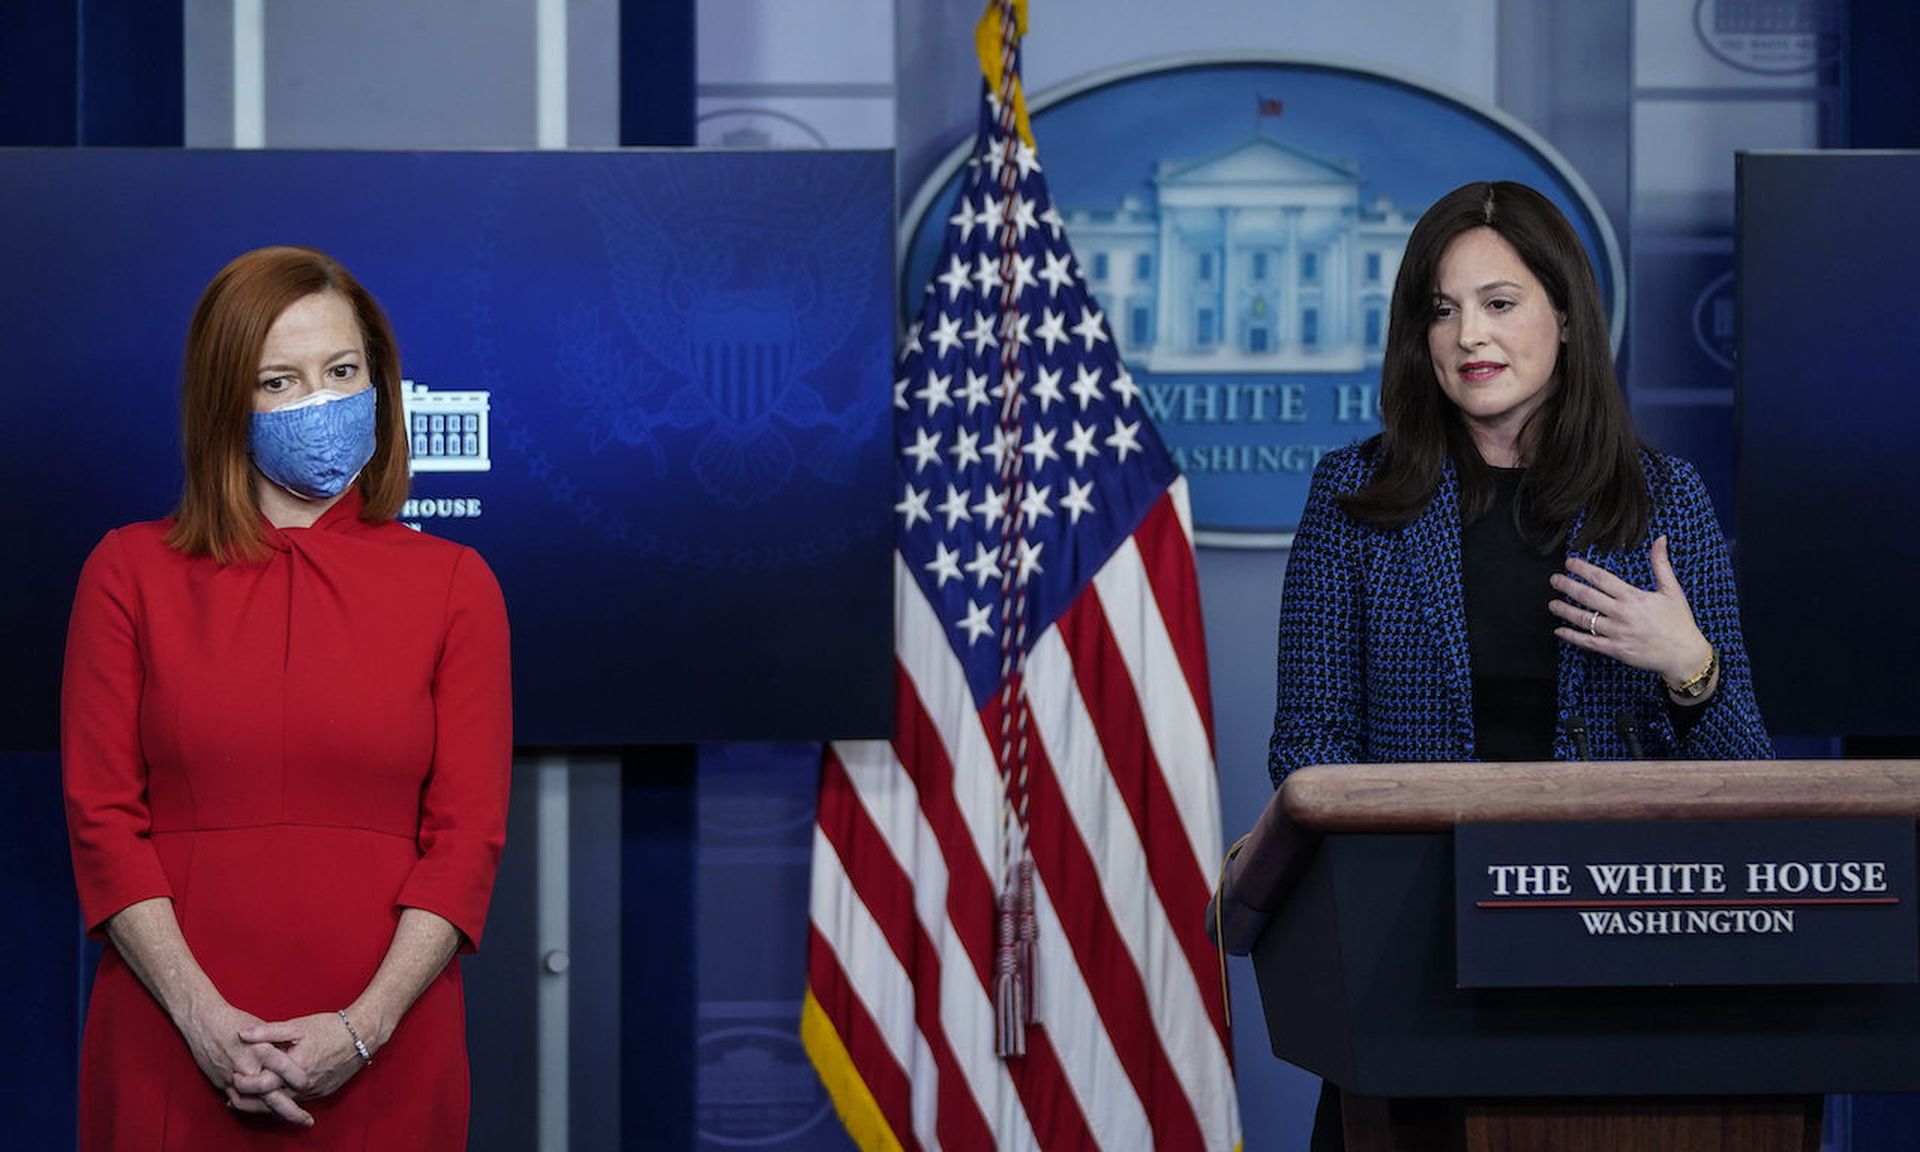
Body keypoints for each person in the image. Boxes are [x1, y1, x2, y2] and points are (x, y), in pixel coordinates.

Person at [1262, 183, 1772, 1148]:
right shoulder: (1353, 496)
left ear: (1568, 320)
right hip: (1408, 964)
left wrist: (1687, 664)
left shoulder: (1661, 500)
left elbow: (1752, 771)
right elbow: (1307, 751)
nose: (1468, 337)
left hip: (1614, 965)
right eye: (1442, 310)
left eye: (1500, 303)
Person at [61, 246, 512, 1149]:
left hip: (387, 1050)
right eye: (281, 380)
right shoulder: (128, 572)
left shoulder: (457, 584)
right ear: (229, 401)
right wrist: (199, 1015)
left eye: (342, 372)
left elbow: (466, 842)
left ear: (380, 384)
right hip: (169, 1043)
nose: (320, 401)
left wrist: (363, 1028)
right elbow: (103, 821)